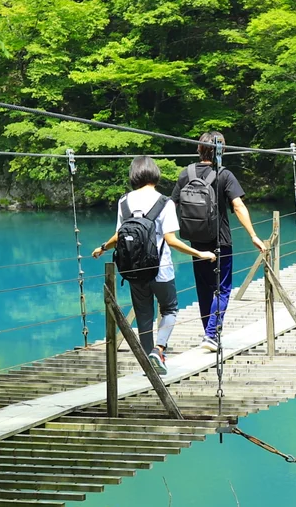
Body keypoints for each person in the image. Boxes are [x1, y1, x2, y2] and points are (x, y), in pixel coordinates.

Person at [92, 156, 215, 374]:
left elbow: (119, 236)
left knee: (143, 315)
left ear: (134, 175)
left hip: (134, 270)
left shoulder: (124, 202)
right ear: (155, 174)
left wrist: (103, 247)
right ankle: (158, 350)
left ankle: (149, 364)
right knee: (170, 308)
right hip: (161, 270)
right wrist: (199, 253)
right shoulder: (164, 202)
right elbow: (171, 240)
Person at [171, 132, 267, 352]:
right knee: (222, 289)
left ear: (198, 149)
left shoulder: (186, 174)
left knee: (204, 290)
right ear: (221, 150)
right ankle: (211, 335)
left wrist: (161, 233)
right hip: (220, 241)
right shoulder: (224, 174)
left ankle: (209, 334)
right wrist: (253, 235)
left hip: (195, 243)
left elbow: (171, 205)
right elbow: (238, 206)